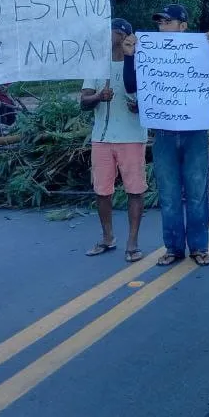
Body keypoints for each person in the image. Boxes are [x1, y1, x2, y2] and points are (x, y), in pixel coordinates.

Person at [149, 4, 209, 268]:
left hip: (194, 133)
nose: (162, 27)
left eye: (167, 22)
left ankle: (200, 247)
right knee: (168, 195)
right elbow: (132, 85)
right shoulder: (150, 51)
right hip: (164, 134)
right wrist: (127, 56)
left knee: (196, 193)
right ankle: (173, 247)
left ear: (183, 26)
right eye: (160, 23)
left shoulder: (201, 50)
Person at [80, 19, 147, 260]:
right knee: (102, 191)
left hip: (131, 137)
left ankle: (133, 242)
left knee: (135, 190)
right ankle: (107, 237)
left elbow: (152, 100)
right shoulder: (97, 66)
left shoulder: (140, 63)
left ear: (122, 35)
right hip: (102, 137)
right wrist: (99, 96)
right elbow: (83, 101)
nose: (106, 37)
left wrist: (139, 107)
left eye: (110, 32)